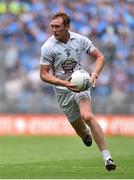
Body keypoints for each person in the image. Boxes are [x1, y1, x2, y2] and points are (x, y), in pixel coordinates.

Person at [40, 12, 116, 171]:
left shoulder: (80, 40)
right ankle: (85, 134)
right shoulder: (48, 47)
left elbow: (100, 57)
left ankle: (107, 158)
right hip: (63, 91)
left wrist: (94, 74)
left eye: (57, 26)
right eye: (52, 26)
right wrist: (63, 83)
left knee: (87, 115)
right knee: (82, 132)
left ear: (67, 26)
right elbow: (43, 74)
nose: (54, 30)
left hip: (81, 84)